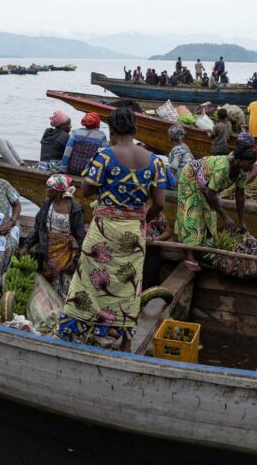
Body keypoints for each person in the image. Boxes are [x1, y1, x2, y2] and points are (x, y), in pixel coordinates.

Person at [57, 108, 167, 351]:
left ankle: (74, 337)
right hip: (134, 232)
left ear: (112, 129)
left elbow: (86, 191)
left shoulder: (104, 156)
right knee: (128, 287)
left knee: (86, 283)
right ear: (134, 128)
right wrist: (142, 221)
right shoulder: (156, 161)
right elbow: (159, 203)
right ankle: (125, 343)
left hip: (103, 231)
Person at [175, 138, 257, 271]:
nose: (251, 167)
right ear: (240, 160)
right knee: (192, 213)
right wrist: (226, 217)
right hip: (191, 177)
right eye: (250, 163)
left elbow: (240, 195)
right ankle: (188, 252)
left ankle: (201, 249)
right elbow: (212, 193)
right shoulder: (223, 167)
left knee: (209, 215)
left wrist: (241, 221)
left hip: (207, 187)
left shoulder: (242, 171)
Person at [21, 174, 86, 299]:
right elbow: (39, 227)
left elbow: (79, 237)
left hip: (66, 249)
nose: (46, 191)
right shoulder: (47, 204)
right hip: (48, 245)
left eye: (49, 188)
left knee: (62, 275)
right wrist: (26, 245)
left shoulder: (74, 208)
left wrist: (76, 259)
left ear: (57, 190)